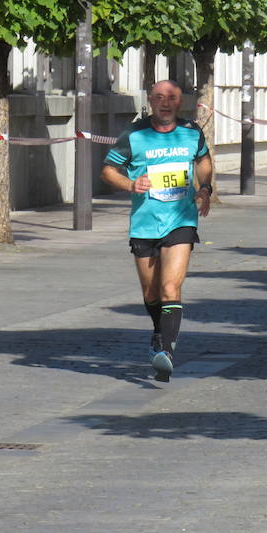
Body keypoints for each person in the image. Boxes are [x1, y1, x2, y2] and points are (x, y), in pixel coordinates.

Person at [101, 80, 212, 381]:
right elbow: (108, 169)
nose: (165, 102)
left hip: (181, 219)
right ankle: (158, 334)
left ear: (180, 102)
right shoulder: (134, 135)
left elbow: (203, 160)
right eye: (159, 97)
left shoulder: (191, 132)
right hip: (145, 223)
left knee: (169, 288)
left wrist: (205, 187)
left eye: (172, 97)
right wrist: (130, 184)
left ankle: (165, 350)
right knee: (151, 292)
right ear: (150, 100)